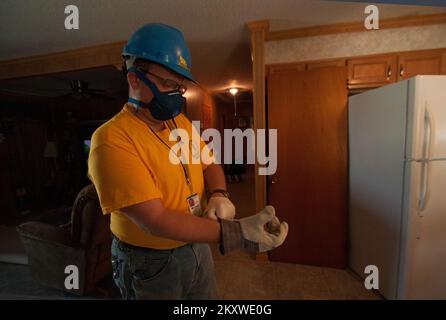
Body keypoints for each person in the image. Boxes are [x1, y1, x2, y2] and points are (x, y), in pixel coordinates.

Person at [87, 23, 288, 300]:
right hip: (150, 261)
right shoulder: (111, 140)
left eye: (179, 87)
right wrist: (236, 232)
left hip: (196, 243)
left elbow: (209, 162)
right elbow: (155, 221)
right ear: (135, 79)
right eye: (168, 83)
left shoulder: (177, 122)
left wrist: (219, 194)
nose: (174, 94)